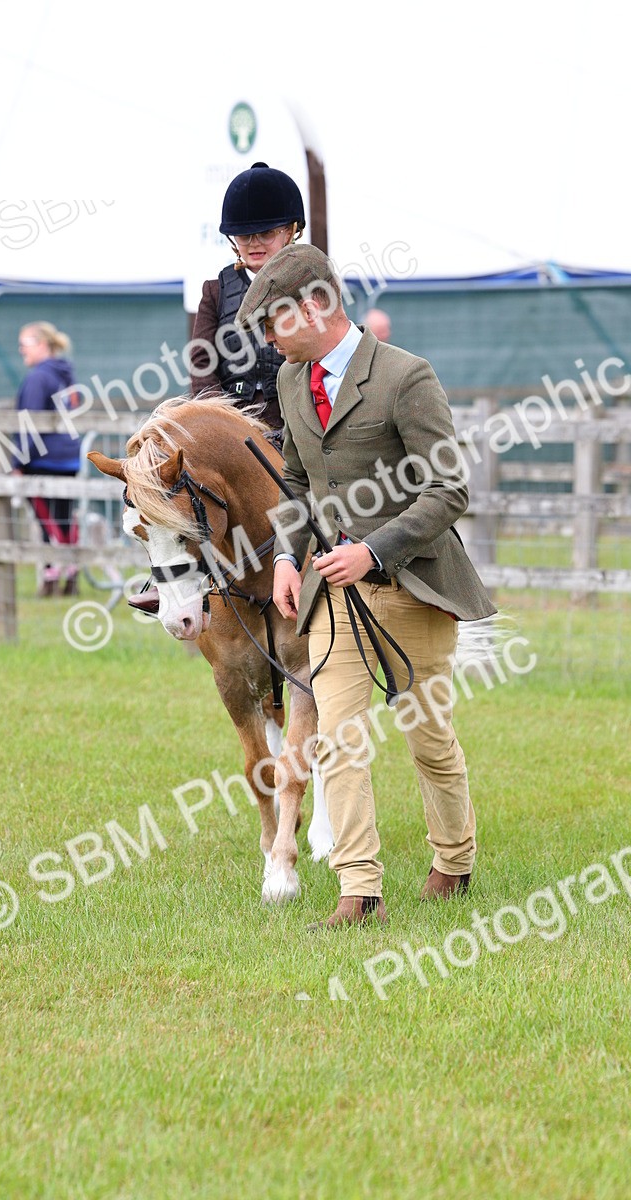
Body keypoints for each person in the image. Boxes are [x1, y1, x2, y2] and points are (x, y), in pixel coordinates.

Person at [236, 245, 496, 929]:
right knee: (337, 740)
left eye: (273, 322)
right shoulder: (293, 382)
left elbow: (449, 488)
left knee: (428, 738)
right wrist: (289, 558)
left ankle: (455, 858)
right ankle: (360, 890)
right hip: (331, 598)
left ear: (316, 306)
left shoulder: (407, 377)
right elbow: (294, 482)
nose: (267, 338)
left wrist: (373, 552)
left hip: (415, 587)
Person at [189, 162, 306, 430]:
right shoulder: (214, 291)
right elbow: (201, 362)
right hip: (231, 423)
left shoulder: (311, 286)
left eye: (265, 234)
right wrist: (224, 422)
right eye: (244, 236)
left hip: (295, 424)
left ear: (289, 232)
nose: (254, 244)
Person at [14, 322, 81, 597]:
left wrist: (17, 462)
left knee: (46, 520)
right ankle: (71, 569)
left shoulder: (38, 377)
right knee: (64, 516)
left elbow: (30, 423)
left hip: (43, 459)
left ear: (42, 345)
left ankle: (53, 571)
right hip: (69, 458)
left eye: (24, 344)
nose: (21, 351)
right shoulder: (67, 374)